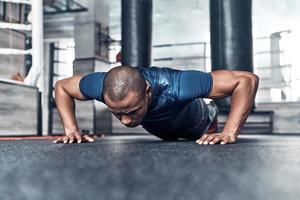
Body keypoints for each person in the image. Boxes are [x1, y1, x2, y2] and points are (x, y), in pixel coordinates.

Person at [53, 65, 259, 145]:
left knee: (208, 113)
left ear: (148, 92)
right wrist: (71, 130)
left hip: (197, 122)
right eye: (117, 114)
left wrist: (230, 133)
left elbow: (247, 80)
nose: (125, 121)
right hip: (163, 131)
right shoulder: (102, 87)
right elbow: (62, 87)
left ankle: (212, 111)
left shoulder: (177, 84)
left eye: (131, 111)